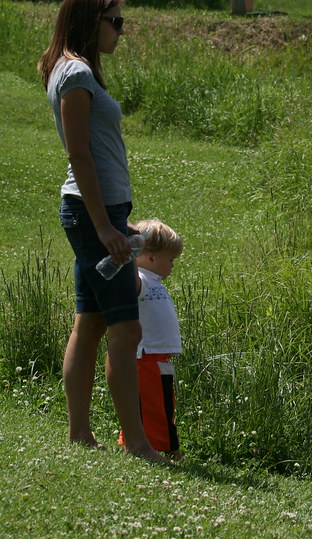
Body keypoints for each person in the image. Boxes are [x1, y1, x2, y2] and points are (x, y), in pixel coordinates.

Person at [40, 0, 167, 464]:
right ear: (89, 20)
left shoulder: (73, 71)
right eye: (115, 21)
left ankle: (79, 435)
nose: (121, 30)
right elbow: (79, 156)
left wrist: (115, 222)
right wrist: (103, 227)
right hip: (91, 214)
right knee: (126, 328)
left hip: (100, 213)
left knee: (90, 322)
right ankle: (136, 443)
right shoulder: (75, 75)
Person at [116, 220, 183, 460]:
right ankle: (164, 447)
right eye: (170, 260)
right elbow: (130, 281)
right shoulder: (142, 280)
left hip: (157, 355)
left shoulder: (154, 282)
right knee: (156, 404)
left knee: (158, 401)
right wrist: (131, 252)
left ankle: (137, 440)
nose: (172, 266)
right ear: (152, 258)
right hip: (147, 355)